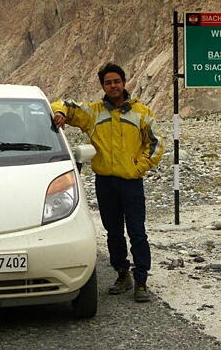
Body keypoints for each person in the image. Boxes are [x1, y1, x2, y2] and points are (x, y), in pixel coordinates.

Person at [51, 63, 163, 302]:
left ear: (124, 83)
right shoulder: (93, 113)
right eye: (108, 82)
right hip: (105, 182)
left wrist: (138, 167)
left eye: (116, 81)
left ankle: (141, 279)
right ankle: (122, 274)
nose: (113, 86)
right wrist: (59, 113)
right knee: (113, 232)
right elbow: (65, 105)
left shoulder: (141, 112)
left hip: (131, 183)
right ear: (103, 86)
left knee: (137, 232)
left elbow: (155, 144)